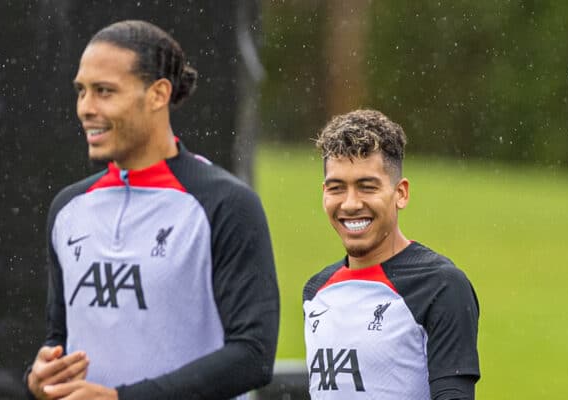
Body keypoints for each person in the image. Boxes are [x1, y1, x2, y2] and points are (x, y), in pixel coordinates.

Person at [25, 20, 279, 400]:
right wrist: (38, 379)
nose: (86, 108)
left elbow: (252, 355)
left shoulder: (226, 205)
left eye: (104, 92)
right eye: (82, 91)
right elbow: (60, 340)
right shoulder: (68, 209)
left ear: (158, 94)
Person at [303, 109, 480, 399]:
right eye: (337, 188)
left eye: (366, 187)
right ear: (324, 193)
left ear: (401, 193)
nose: (349, 203)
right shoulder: (315, 292)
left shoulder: (441, 286)